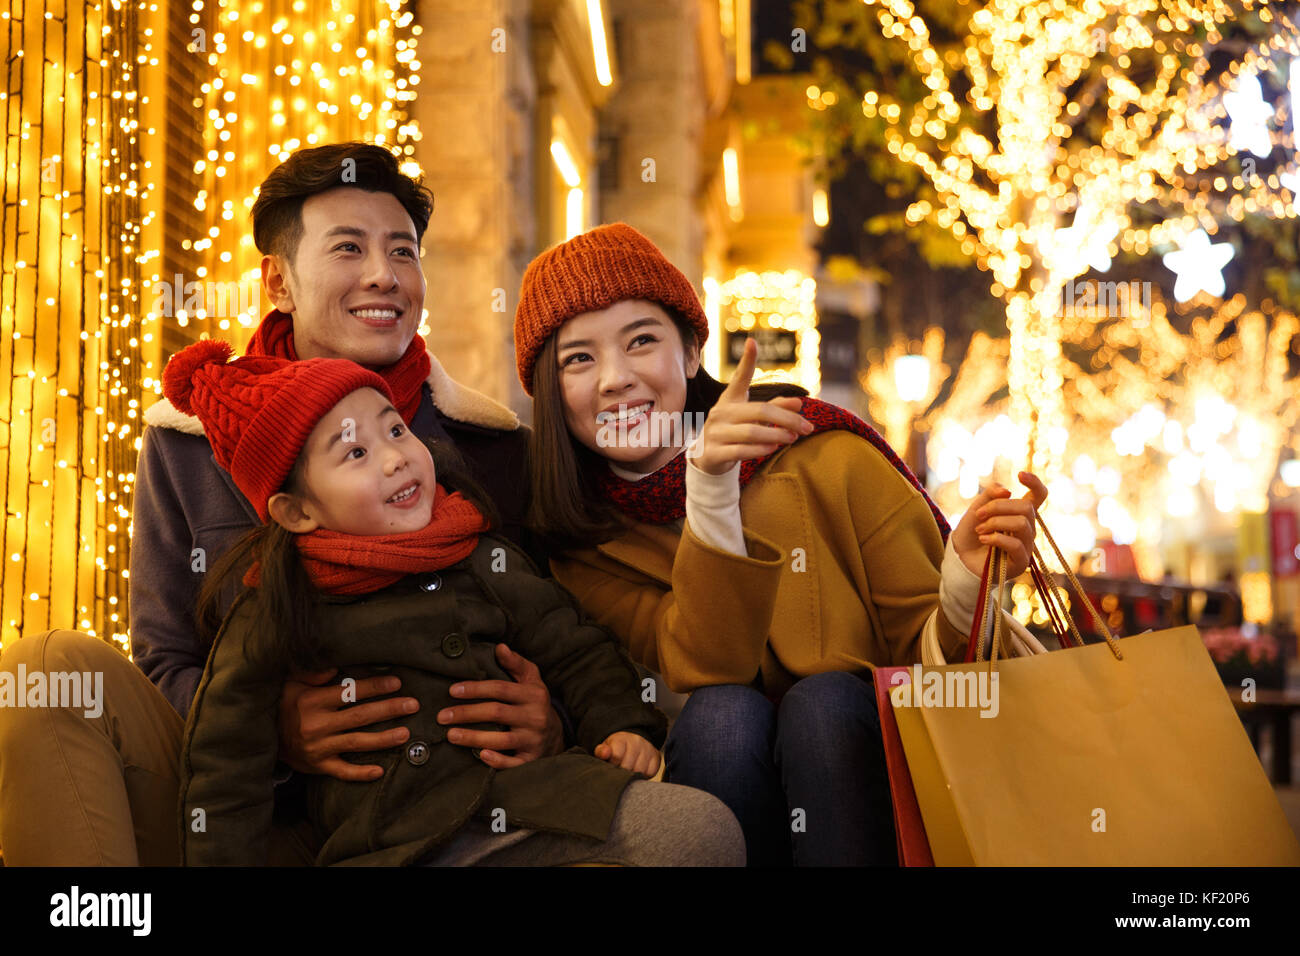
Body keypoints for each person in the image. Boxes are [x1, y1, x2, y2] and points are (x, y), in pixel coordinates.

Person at [0, 143, 564, 865]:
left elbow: (563, 636)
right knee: (45, 672)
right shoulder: (186, 443)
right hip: (235, 804)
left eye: (403, 251)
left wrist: (553, 721)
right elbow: (166, 658)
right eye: (349, 248)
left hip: (439, 803)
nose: (385, 275)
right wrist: (271, 730)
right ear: (278, 282)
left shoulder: (491, 444)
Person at [514, 223, 1047, 866]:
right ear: (550, 393)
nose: (615, 378)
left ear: (690, 352)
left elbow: (938, 673)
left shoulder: (827, 456)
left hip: (878, 791)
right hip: (695, 792)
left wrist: (965, 582)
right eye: (578, 359)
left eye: (641, 341)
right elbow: (706, 665)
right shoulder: (581, 543)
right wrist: (710, 490)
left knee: (824, 702)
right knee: (722, 714)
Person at [164, 339, 743, 866]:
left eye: (395, 430)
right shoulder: (273, 607)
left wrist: (621, 725)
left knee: (702, 830)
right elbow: (224, 766)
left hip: (528, 803)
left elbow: (576, 648)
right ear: (297, 511)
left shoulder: (478, 554)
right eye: (355, 453)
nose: (395, 457)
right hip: (391, 840)